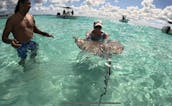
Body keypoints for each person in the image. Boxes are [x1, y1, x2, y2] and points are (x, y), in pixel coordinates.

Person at [2, 0, 53, 65]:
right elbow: (4, 38)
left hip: (31, 42)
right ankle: (24, 72)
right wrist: (11, 41)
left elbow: (34, 29)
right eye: (28, 4)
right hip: (20, 45)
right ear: (21, 4)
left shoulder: (31, 17)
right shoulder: (12, 19)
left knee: (35, 52)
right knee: (23, 60)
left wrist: (44, 33)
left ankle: (33, 65)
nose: (30, 6)